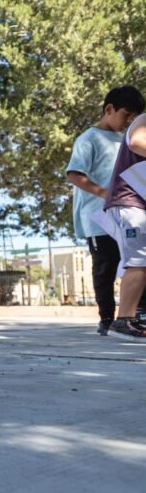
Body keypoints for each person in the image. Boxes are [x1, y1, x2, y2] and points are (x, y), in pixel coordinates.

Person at [66, 86, 145, 335]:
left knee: (134, 262)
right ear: (109, 109)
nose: (130, 121)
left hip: (128, 212)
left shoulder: (125, 138)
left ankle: (134, 314)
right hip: (97, 217)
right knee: (105, 267)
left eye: (134, 116)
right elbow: (74, 175)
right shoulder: (88, 139)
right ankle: (107, 319)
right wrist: (104, 192)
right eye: (126, 114)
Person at [104, 114, 146, 340]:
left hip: (139, 203)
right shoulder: (144, 120)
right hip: (130, 203)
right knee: (139, 261)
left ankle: (132, 318)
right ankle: (123, 321)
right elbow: (137, 142)